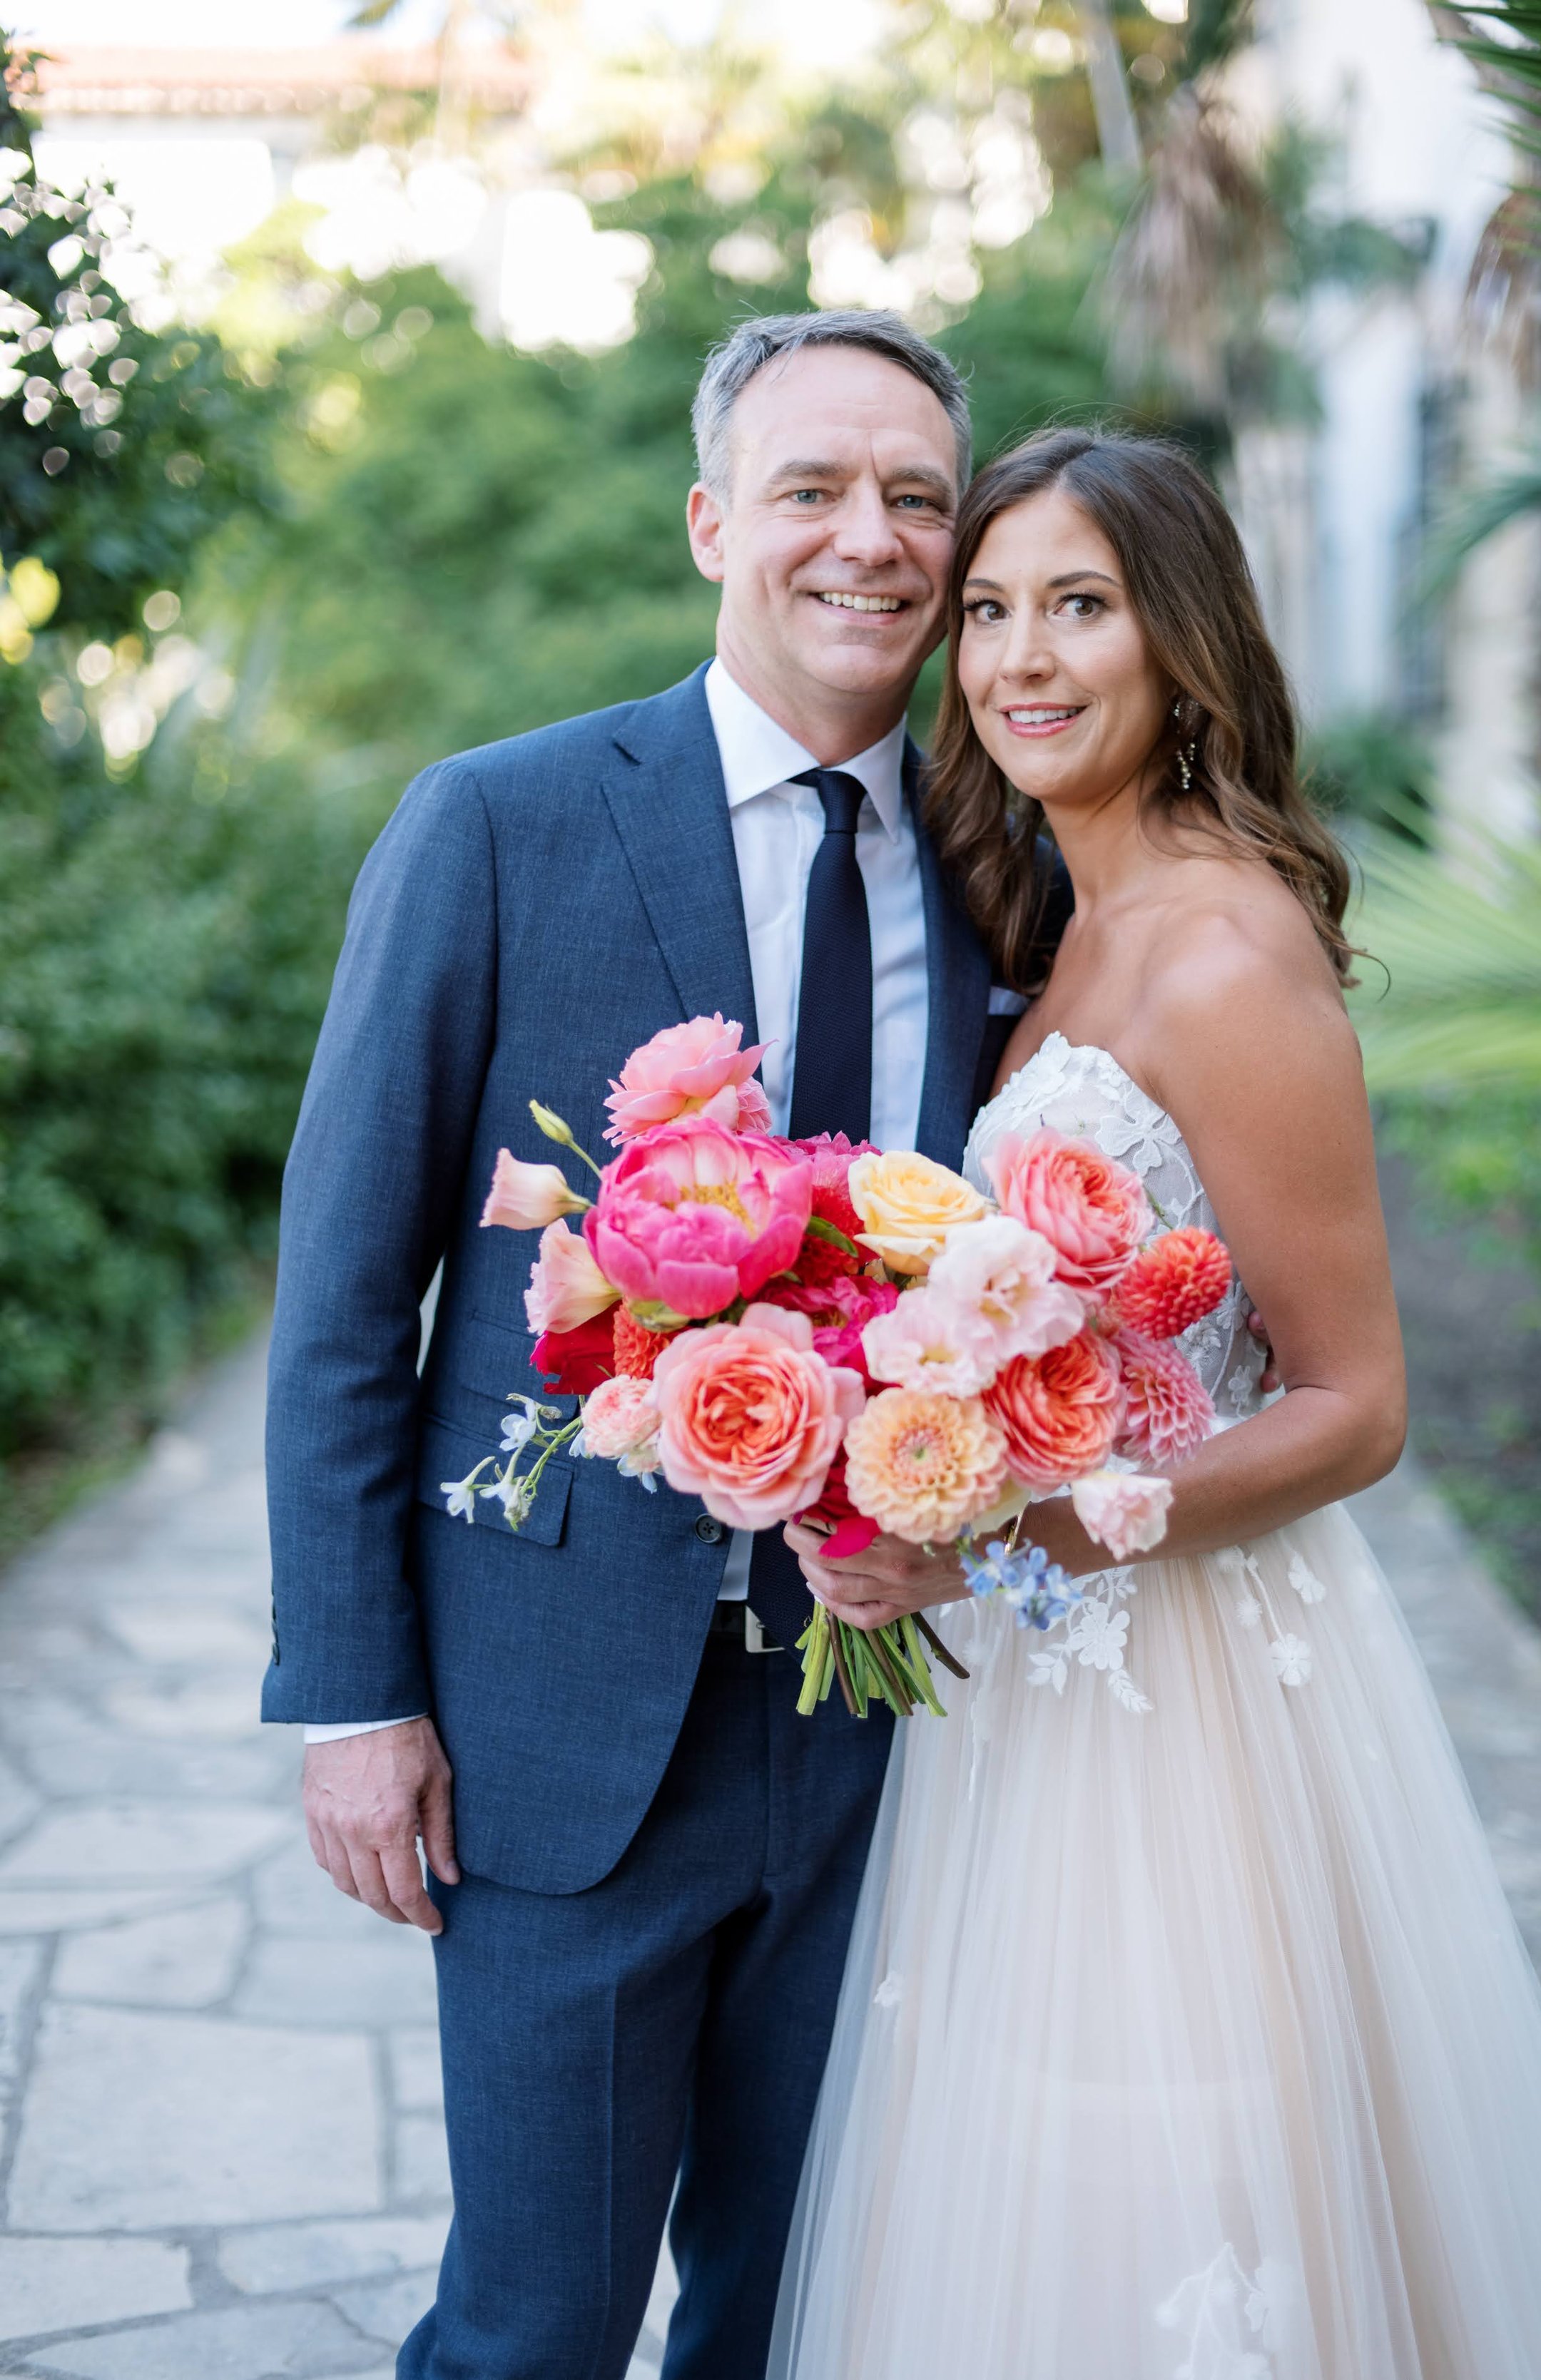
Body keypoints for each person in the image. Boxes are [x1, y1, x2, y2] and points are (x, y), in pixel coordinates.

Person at [768, 429, 1541, 2379]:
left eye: (1081, 607)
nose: (1022, 658)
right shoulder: (1057, 929)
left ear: (1181, 646)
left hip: (1188, 1689)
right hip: (1035, 1674)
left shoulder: (1219, 949)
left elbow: (1357, 1406)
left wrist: (1004, 1518)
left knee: (1195, 2202)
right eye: (995, 611)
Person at [262, 310, 1027, 2380]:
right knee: (533, 2329)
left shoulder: (1012, 869)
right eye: (810, 488)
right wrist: (352, 1695)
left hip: (903, 1728)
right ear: (711, 521)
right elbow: (345, 1288)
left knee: (810, 2315)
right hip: (558, 1727)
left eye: (914, 498)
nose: (865, 538)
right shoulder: (497, 823)